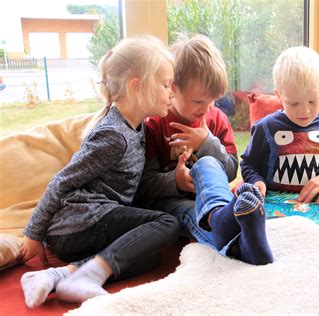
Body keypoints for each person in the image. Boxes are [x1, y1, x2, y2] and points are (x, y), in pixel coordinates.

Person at [17, 35, 181, 308]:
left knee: (148, 252)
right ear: (136, 86)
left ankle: (63, 274)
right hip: (78, 224)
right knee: (167, 224)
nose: (172, 92)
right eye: (165, 85)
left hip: (97, 223)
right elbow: (62, 182)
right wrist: (33, 235)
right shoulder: (113, 135)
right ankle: (84, 274)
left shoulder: (136, 127)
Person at [135, 34, 272, 265]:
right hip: (171, 202)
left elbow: (230, 171)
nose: (208, 108)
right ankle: (242, 244)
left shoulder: (215, 120)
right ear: (173, 89)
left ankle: (233, 232)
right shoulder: (154, 124)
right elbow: (144, 184)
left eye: (213, 101)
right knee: (190, 212)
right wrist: (175, 182)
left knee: (207, 164)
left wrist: (206, 143)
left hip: (213, 197)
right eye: (199, 102)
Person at [240, 46, 319, 204]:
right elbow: (249, 164)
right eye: (294, 103)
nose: (305, 111)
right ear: (279, 95)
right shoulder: (265, 128)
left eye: (312, 101)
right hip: (274, 205)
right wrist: (256, 181)